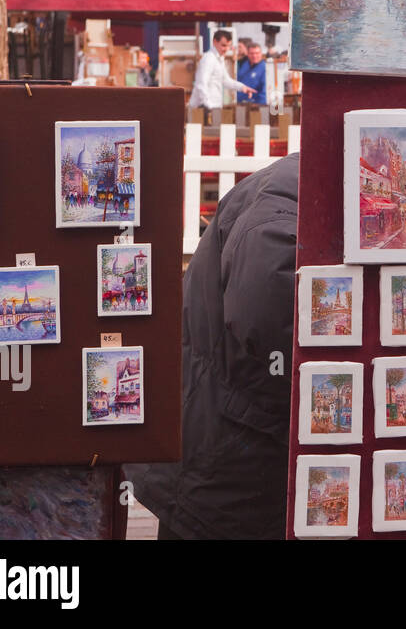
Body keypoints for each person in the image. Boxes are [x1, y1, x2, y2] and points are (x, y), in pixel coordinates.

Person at [124, 153, 298, 539]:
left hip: (226, 453)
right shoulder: (286, 203)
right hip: (227, 467)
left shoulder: (291, 189)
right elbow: (269, 323)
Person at [189, 30, 254, 114]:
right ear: (214, 42)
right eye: (223, 45)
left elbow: (225, 80)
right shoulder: (209, 59)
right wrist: (208, 106)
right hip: (202, 109)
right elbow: (201, 84)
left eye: (228, 46)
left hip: (212, 107)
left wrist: (242, 87)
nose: (226, 49)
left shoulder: (219, 59)